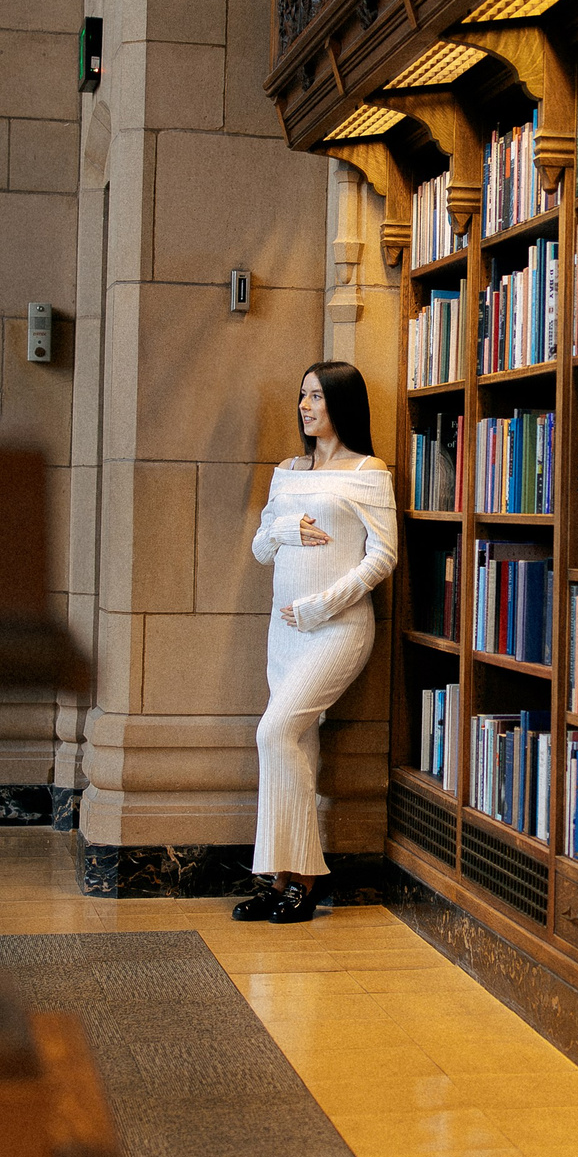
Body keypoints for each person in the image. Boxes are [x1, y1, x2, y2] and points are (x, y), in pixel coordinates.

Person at [237, 360, 398, 923]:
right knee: (296, 746)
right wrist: (286, 530)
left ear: (342, 405)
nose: (305, 407)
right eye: (302, 395)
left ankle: (303, 879)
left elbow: (383, 555)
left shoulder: (369, 471)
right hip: (284, 632)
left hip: (338, 628)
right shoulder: (286, 472)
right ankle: (283, 880)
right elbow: (262, 547)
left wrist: (322, 605)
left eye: (317, 398)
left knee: (274, 730)